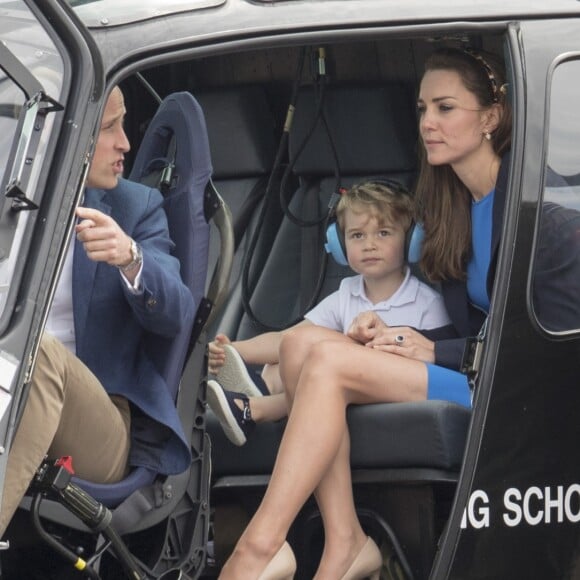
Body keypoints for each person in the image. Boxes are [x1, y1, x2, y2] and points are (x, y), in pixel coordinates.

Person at [217, 46, 513, 580]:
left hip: (497, 384)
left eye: (445, 108)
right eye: (422, 109)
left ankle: (261, 545)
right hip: (459, 369)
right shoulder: (452, 205)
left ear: (490, 118)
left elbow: (533, 337)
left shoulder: (525, 204)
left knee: (325, 363)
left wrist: (441, 348)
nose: (428, 123)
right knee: (301, 345)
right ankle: (344, 539)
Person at [0, 86, 195, 536]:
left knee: (38, 352)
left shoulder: (136, 207)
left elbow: (176, 314)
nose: (126, 142)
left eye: (120, 124)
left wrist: (131, 257)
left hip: (100, 421)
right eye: (110, 128)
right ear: (58, 134)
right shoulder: (12, 202)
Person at [207, 181, 451, 445]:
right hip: (342, 388)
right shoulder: (345, 294)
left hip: (395, 389)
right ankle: (259, 391)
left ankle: (256, 407)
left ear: (411, 241)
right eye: (357, 235)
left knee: (320, 369)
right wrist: (234, 350)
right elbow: (287, 339)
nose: (369, 244)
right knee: (289, 355)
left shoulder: (428, 303)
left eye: (383, 233)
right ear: (340, 246)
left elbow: (436, 368)